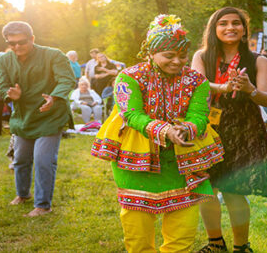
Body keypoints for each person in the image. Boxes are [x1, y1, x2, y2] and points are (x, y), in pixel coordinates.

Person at [92, 14, 224, 252]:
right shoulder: (128, 77)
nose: (177, 62)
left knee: (183, 233)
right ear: (151, 53)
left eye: (182, 56)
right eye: (169, 56)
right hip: (136, 157)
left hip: (183, 158)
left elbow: (199, 115)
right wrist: (163, 130)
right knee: (138, 230)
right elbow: (131, 114)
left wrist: (186, 129)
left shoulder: (197, 81)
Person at [191, 6, 267, 253]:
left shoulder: (258, 60)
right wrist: (220, 87)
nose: (230, 27)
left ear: (244, 30)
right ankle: (215, 243)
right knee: (207, 188)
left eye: (236, 23)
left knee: (234, 190)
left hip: (243, 128)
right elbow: (197, 87)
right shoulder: (202, 56)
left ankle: (242, 247)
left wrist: (249, 88)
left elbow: (266, 100)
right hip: (209, 127)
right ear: (214, 29)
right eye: (223, 23)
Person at [0, 21, 77, 217]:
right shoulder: (4, 60)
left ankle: (43, 205)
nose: (17, 47)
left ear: (32, 39)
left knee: (43, 159)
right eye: (12, 43)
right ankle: (23, 194)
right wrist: (10, 95)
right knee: (21, 158)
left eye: (21, 42)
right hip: (24, 117)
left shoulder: (53, 55)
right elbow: (1, 85)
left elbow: (67, 79)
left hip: (50, 115)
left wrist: (54, 96)